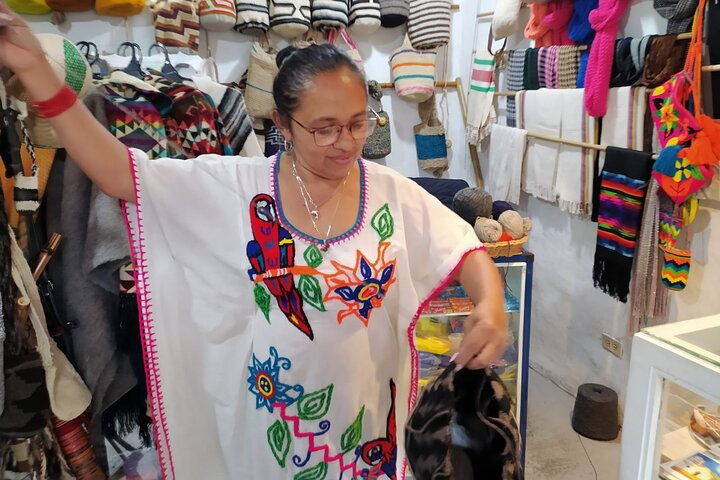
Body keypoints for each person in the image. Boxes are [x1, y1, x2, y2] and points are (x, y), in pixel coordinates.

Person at [0, 3, 508, 478]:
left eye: (357, 123)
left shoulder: (389, 193)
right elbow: (120, 176)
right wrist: (37, 72)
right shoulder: (234, 188)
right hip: (265, 430)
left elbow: (463, 246)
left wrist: (489, 305)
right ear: (284, 124)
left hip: (364, 428)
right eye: (324, 128)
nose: (347, 143)